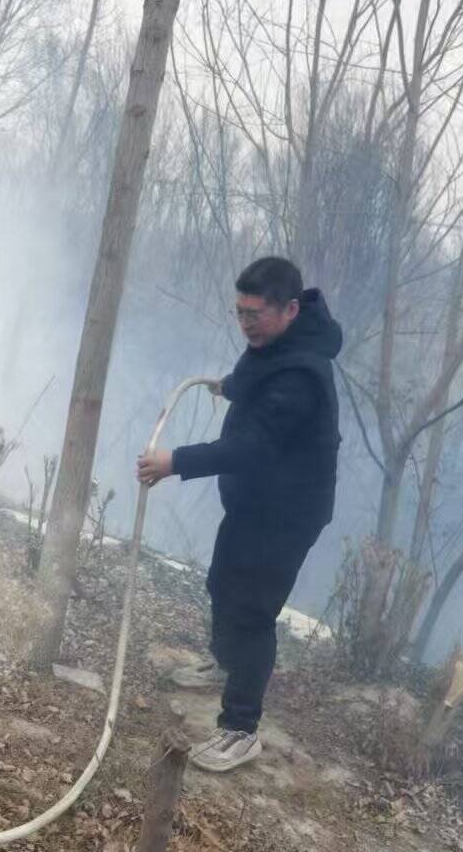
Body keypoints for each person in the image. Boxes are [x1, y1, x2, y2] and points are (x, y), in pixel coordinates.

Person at [137, 256, 341, 773]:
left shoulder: (302, 378)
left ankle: (240, 729)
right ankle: (222, 663)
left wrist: (174, 463)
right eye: (240, 313)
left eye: (256, 315)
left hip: (287, 514)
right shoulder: (275, 344)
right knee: (221, 582)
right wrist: (231, 385)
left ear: (291, 309)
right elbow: (256, 370)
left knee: (252, 612)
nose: (246, 324)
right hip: (254, 502)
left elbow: (251, 448)